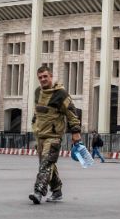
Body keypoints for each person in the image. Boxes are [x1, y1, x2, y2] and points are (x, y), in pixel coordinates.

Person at [29, 66, 82, 204]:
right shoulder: (37, 92)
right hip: (40, 135)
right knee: (47, 164)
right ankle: (57, 191)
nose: (43, 79)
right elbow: (37, 113)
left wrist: (75, 132)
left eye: (45, 76)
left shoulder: (61, 94)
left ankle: (38, 192)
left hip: (53, 136)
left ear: (51, 76)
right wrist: (34, 124)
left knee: (46, 164)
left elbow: (71, 112)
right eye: (40, 77)